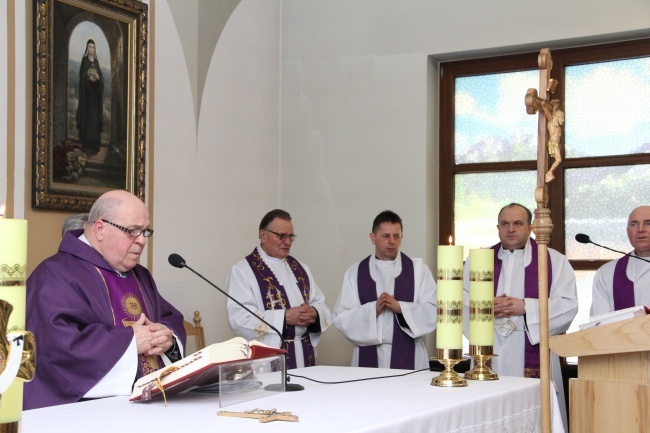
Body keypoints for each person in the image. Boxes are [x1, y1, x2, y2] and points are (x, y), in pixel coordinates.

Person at [25, 190, 185, 410]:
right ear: (100, 229)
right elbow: (55, 349)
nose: (141, 241)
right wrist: (130, 343)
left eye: (145, 232)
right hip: (84, 413)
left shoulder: (140, 276)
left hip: (151, 405)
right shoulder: (54, 275)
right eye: (133, 231)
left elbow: (170, 319)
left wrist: (167, 338)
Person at [462, 203, 577, 430]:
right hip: (490, 349)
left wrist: (524, 307)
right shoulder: (478, 261)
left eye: (517, 223)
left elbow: (568, 305)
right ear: (497, 227)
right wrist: (486, 307)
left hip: (533, 349)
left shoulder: (554, 260)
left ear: (531, 227)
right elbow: (461, 301)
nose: (511, 229)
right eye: (505, 224)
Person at [225, 209, 332, 369]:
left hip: (304, 354)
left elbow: (321, 304)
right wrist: (283, 318)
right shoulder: (242, 271)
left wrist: (315, 314)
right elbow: (239, 319)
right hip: (269, 362)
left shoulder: (301, 268)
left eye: (291, 237)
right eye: (281, 236)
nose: (287, 242)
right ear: (262, 235)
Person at [333, 210, 437, 370]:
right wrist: (373, 309)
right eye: (386, 236)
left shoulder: (418, 271)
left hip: (411, 355)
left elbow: (435, 311)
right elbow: (341, 317)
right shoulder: (355, 273)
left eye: (396, 236)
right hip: (368, 355)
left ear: (402, 238)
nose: (392, 241)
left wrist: (401, 308)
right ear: (373, 237)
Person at [591, 205, 650, 315]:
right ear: (627, 232)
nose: (641, 229)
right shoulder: (607, 273)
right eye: (634, 224)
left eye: (648, 223)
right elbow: (599, 323)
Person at [76, 39, 104, 155]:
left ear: (95, 49)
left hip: (95, 98)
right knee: (88, 119)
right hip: (87, 97)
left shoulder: (96, 62)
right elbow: (82, 75)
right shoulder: (84, 61)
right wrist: (88, 78)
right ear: (87, 48)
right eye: (89, 47)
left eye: (93, 47)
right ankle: (87, 143)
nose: (91, 49)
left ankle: (94, 143)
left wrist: (98, 78)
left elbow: (101, 77)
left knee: (95, 119)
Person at [541, 100, 565, 183]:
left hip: (556, 144)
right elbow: (548, 114)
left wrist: (555, 107)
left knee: (558, 160)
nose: (563, 120)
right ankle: (549, 173)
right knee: (558, 160)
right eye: (562, 118)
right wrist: (544, 106)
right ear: (558, 118)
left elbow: (554, 113)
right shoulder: (552, 123)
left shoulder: (557, 126)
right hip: (553, 144)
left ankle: (549, 173)